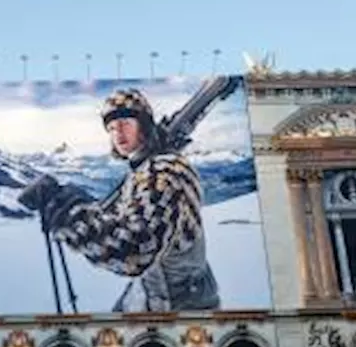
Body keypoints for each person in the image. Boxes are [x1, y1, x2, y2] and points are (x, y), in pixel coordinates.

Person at [21, 87, 220, 313]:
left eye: (125, 123)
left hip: (181, 303)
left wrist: (71, 214)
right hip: (152, 289)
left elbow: (135, 249)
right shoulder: (145, 168)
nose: (118, 134)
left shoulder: (164, 173)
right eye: (112, 128)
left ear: (144, 126)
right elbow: (121, 217)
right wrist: (79, 205)